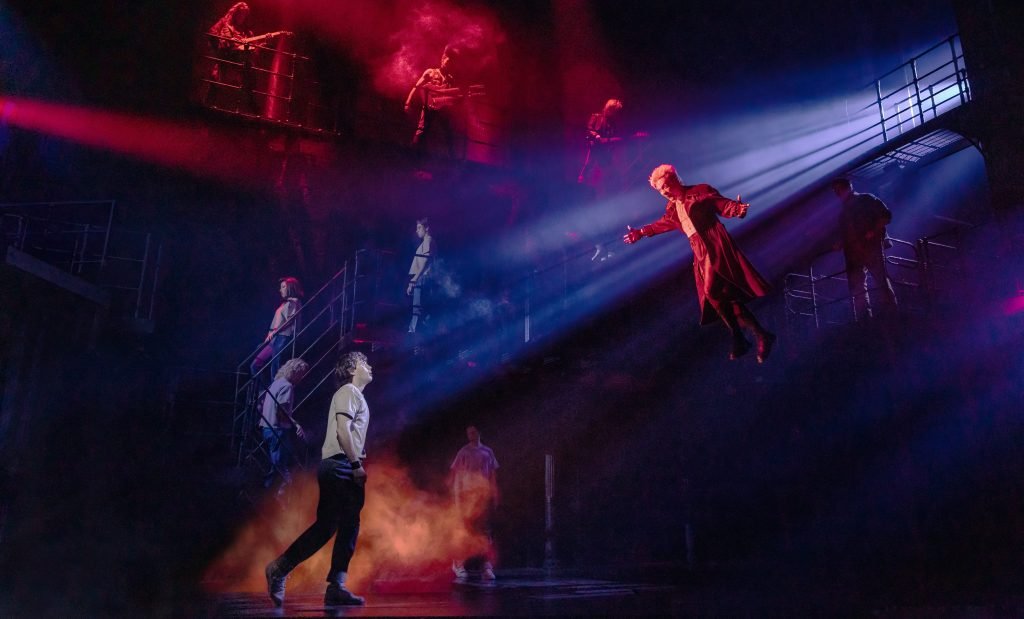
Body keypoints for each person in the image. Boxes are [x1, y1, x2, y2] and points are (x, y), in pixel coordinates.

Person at [623, 164, 776, 362]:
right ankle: (758, 335)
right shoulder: (672, 209)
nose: (664, 192)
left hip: (714, 243)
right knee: (718, 296)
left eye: (666, 186)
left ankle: (740, 337)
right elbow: (662, 224)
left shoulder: (699, 191)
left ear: (675, 180)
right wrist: (641, 232)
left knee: (712, 291)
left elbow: (721, 204)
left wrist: (737, 209)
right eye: (660, 190)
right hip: (699, 251)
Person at [265, 351, 373, 607]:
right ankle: (279, 569)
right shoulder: (348, 391)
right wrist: (355, 464)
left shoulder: (355, 395)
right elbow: (343, 430)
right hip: (340, 465)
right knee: (331, 526)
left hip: (342, 465)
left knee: (347, 525)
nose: (369, 366)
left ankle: (335, 585)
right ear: (352, 369)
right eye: (364, 363)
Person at [831, 178, 897, 320]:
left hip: (870, 248)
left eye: (839, 189)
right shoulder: (843, 212)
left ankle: (890, 314)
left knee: (879, 281)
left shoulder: (866, 199)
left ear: (849, 187)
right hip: (853, 254)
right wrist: (841, 243)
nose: (838, 193)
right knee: (859, 287)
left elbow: (886, 216)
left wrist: (873, 231)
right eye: (836, 191)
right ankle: (866, 318)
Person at [449, 425, 499, 581]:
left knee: (486, 533)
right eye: (468, 433)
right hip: (468, 497)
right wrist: (457, 499)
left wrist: (495, 493)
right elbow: (457, 476)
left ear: (479, 432)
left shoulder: (488, 452)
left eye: (473, 432)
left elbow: (492, 475)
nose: (470, 435)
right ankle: (458, 564)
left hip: (483, 496)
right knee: (465, 532)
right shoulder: (464, 452)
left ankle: (486, 567)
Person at [258, 358, 309, 493]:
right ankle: (279, 496)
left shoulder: (276, 383)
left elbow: (261, 405)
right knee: (282, 468)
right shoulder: (287, 387)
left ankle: (269, 490)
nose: (302, 378)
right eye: (301, 374)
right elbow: (281, 412)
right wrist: (296, 425)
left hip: (267, 428)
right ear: (295, 372)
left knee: (277, 464)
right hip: (277, 430)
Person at [405, 46, 461, 159]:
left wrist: (457, 100)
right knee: (421, 131)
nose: (449, 64)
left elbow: (450, 97)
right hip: (429, 107)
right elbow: (416, 86)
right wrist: (408, 102)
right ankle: (413, 155)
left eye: (452, 63)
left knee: (449, 133)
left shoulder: (451, 79)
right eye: (448, 61)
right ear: (443, 59)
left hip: (443, 109)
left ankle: (452, 160)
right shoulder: (431, 72)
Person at [251, 277, 303, 383]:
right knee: (255, 364)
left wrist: (274, 331)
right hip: (274, 338)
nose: (280, 290)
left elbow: (289, 321)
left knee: (276, 366)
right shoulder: (285, 304)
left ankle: (274, 389)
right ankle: (264, 389)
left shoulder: (293, 302)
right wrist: (270, 334)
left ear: (290, 288)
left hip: (283, 336)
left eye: (283, 287)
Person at [578, 98, 624, 187]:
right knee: (588, 167)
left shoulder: (612, 122)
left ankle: (607, 187)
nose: (613, 114)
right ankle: (581, 185)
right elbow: (588, 129)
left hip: (605, 150)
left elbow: (613, 135)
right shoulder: (596, 117)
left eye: (615, 112)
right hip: (594, 147)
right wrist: (596, 136)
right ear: (608, 108)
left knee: (607, 171)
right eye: (613, 111)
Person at [407, 218, 434, 333]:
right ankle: (417, 334)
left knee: (417, 310)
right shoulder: (425, 242)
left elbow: (425, 262)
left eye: (419, 228)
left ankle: (413, 334)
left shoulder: (428, 240)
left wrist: (414, 279)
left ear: (426, 228)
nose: (417, 230)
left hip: (423, 279)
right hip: (422, 279)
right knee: (421, 311)